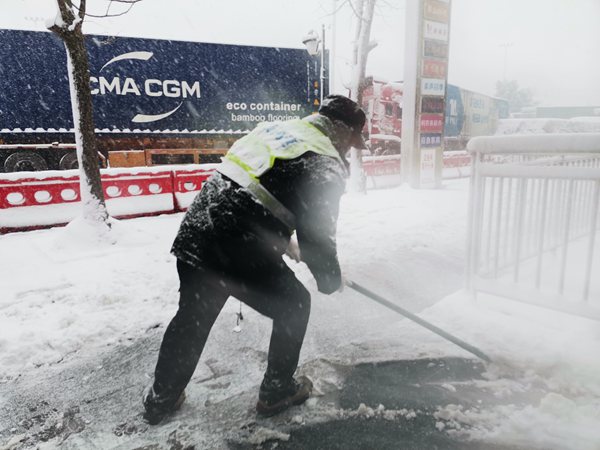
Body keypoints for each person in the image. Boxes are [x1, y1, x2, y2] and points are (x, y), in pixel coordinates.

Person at [143, 95, 367, 425]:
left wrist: (282, 238)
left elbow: (256, 185)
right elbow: (318, 235)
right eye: (353, 140)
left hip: (201, 228)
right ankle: (277, 391)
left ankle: (161, 399)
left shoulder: (278, 130)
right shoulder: (325, 162)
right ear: (343, 131)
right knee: (295, 304)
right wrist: (330, 278)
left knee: (193, 316)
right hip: (240, 244)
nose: (351, 149)